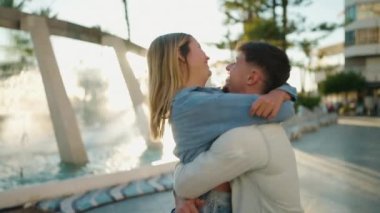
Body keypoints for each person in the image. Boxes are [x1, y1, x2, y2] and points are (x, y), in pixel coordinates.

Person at [147, 33, 297, 212]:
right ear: (180, 55)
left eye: (235, 63)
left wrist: (283, 92)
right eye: (199, 48)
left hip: (207, 196)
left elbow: (185, 177)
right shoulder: (195, 104)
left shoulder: (203, 98)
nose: (207, 56)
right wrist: (280, 95)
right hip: (212, 203)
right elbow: (283, 110)